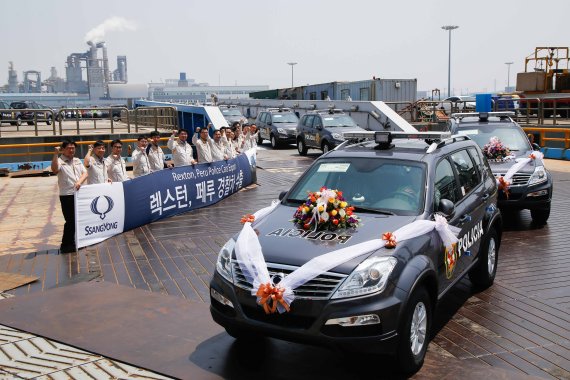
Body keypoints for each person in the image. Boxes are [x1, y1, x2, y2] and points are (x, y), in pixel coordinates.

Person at [51, 139, 88, 253]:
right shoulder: (60, 160)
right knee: (70, 220)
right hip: (67, 195)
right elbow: (55, 170)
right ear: (63, 149)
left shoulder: (77, 160)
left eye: (73, 148)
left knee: (78, 219)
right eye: (68, 148)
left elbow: (85, 173)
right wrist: (55, 155)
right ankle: (66, 244)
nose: (71, 150)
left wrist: (79, 182)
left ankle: (76, 241)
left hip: (79, 193)